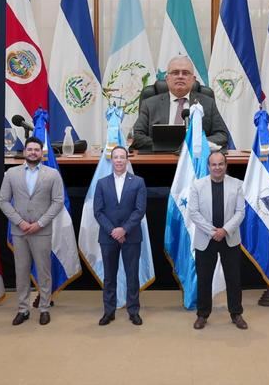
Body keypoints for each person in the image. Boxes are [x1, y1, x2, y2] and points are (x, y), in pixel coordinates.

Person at [0, 136, 64, 326]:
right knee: (21, 272)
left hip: (41, 231)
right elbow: (3, 201)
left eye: (36, 149)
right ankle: (23, 309)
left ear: (41, 152)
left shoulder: (52, 174)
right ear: (24, 152)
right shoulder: (11, 173)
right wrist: (19, 222)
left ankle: (44, 308)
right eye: (30, 149)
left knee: (43, 272)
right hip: (20, 232)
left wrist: (40, 223)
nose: (33, 152)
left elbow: (58, 201)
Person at [188, 151, 247, 330]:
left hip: (229, 238)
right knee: (204, 279)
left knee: (234, 278)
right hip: (206, 238)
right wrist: (213, 231)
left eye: (221, 164)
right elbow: (193, 212)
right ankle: (202, 315)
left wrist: (225, 230)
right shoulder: (197, 186)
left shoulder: (237, 185)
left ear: (226, 165)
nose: (217, 167)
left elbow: (240, 212)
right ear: (208, 166)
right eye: (214, 164)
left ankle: (236, 313)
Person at [93, 146, 147, 326]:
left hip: (131, 236)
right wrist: (113, 231)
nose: (118, 160)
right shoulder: (101, 183)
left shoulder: (138, 182)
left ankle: (134, 311)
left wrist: (123, 230)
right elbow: (98, 212)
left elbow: (139, 210)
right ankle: (109, 311)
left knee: (132, 275)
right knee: (109, 276)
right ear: (111, 160)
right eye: (115, 157)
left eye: (122, 157)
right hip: (108, 237)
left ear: (127, 160)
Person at [131, 55, 228, 151]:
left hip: (195, 161)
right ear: (167, 78)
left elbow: (222, 135)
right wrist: (164, 145)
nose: (180, 76)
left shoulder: (207, 103)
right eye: (175, 73)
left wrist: (196, 143)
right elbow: (137, 136)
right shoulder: (149, 104)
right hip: (159, 161)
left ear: (193, 80)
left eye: (185, 73)